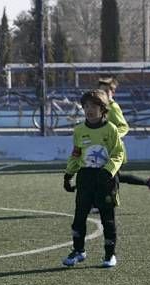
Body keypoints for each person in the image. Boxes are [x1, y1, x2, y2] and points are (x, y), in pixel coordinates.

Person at [62, 89, 124, 268]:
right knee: (79, 217)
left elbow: (118, 153)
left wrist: (109, 170)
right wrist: (68, 174)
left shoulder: (111, 129)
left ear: (103, 108)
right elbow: (76, 154)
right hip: (85, 178)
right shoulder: (79, 130)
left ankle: (109, 255)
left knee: (107, 218)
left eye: (94, 106)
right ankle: (78, 250)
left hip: (105, 178)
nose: (89, 109)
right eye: (86, 106)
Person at [98, 77, 150, 198]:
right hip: (105, 150)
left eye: (107, 91)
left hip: (115, 150)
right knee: (113, 176)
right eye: (102, 92)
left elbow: (124, 127)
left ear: (113, 92)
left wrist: (112, 136)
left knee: (107, 176)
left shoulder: (113, 107)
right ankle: (149, 182)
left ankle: (105, 202)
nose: (104, 94)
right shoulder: (101, 108)